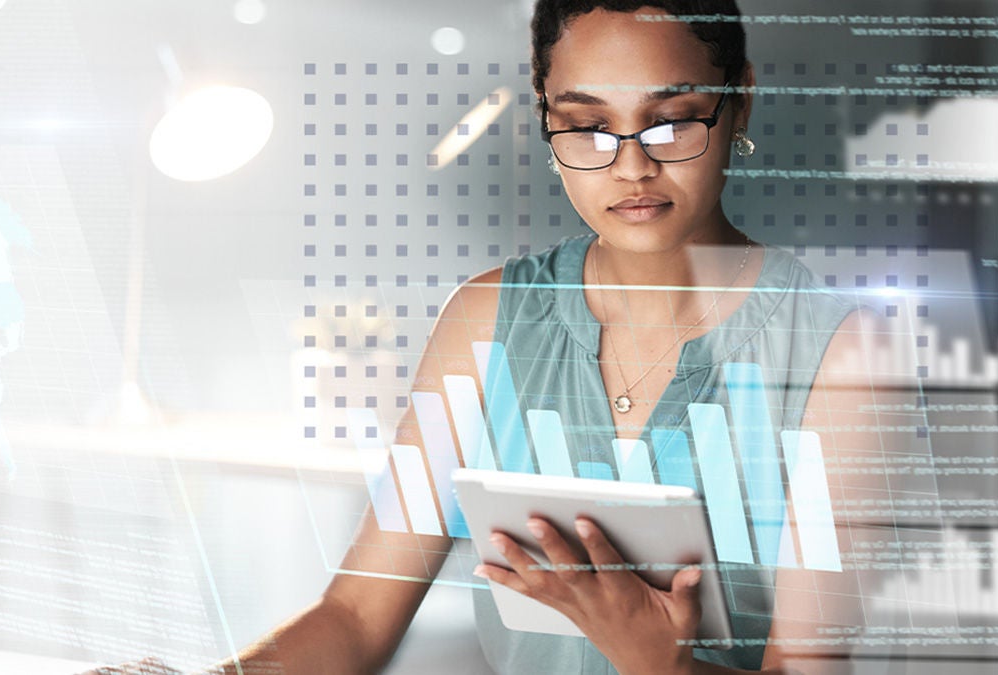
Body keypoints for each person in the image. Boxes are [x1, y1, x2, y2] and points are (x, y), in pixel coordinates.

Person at [85, 1, 904, 673]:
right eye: (586, 126)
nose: (629, 166)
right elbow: (358, 613)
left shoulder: (839, 353)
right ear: (546, 118)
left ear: (740, 103)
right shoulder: (485, 320)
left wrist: (663, 662)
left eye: (670, 122)